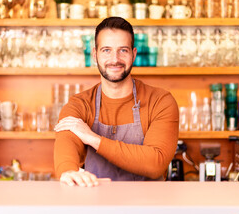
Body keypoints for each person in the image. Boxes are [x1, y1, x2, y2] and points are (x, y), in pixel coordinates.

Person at [54, 17, 179, 187]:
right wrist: (68, 171)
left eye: (123, 50)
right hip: (96, 206)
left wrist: (93, 138)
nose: (115, 59)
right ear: (94, 54)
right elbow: (66, 145)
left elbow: (155, 163)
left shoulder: (160, 101)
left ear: (133, 54)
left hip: (149, 208)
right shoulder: (79, 104)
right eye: (106, 50)